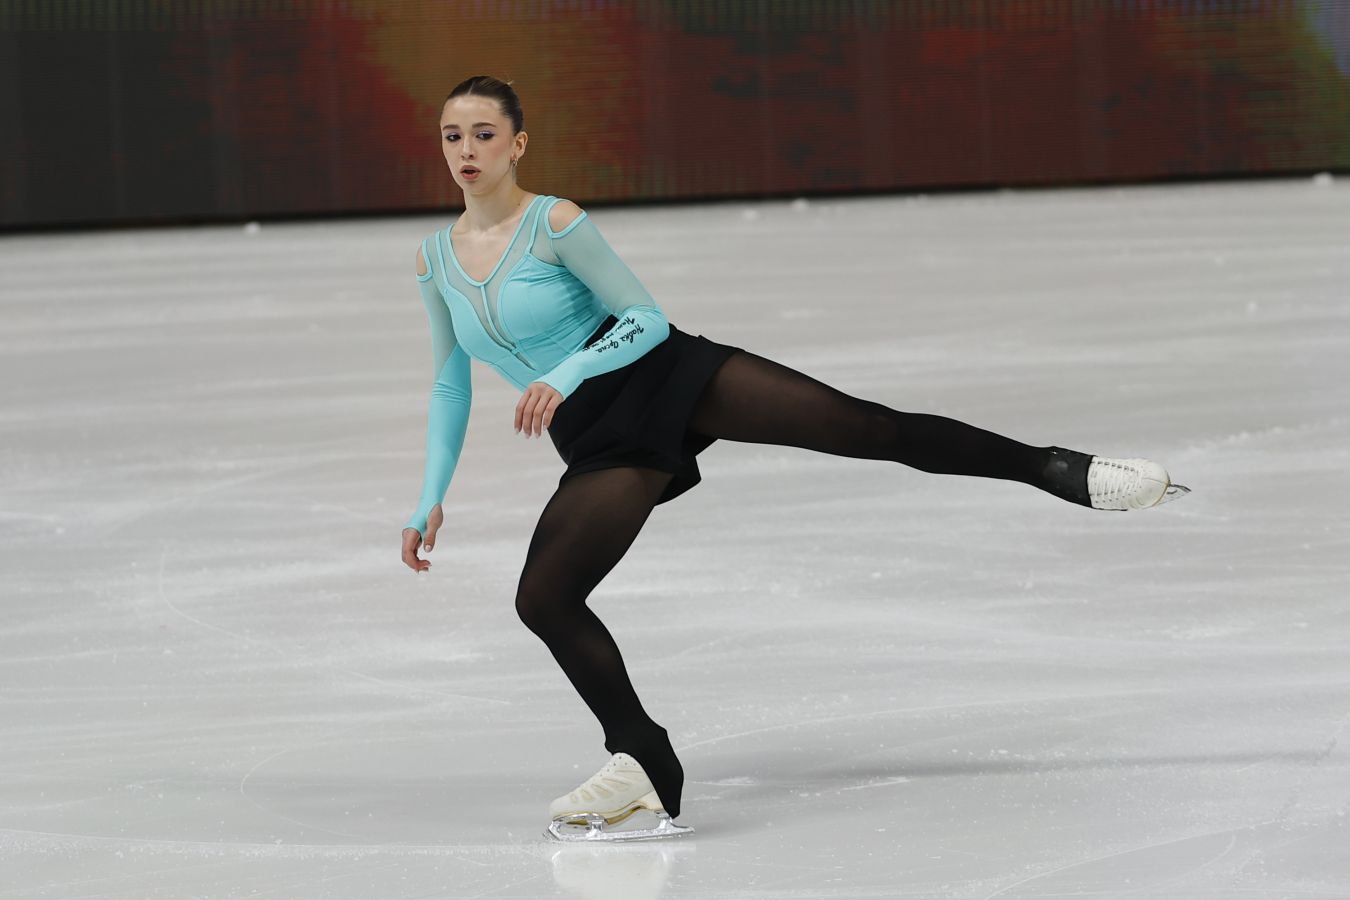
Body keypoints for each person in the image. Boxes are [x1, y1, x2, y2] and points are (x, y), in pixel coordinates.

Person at [399, 75, 1189, 843]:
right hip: (600, 436)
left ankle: (1055, 469)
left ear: (517, 145)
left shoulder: (555, 222)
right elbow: (448, 383)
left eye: (483, 134)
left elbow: (644, 317)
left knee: (868, 428)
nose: (466, 150)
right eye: (452, 136)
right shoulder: (436, 259)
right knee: (545, 597)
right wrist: (431, 496)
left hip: (664, 375)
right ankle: (643, 758)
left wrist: (564, 373)